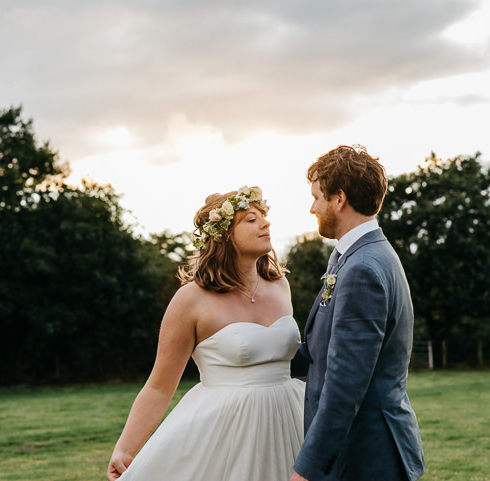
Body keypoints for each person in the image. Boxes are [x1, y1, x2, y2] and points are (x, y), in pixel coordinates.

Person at [107, 186, 305, 481]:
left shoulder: (280, 287)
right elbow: (160, 387)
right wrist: (126, 446)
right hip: (229, 431)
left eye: (263, 216)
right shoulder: (191, 299)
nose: (266, 223)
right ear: (223, 235)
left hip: (292, 418)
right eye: (251, 219)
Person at [290, 145, 425, 481]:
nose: (312, 207)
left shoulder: (363, 268)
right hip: (361, 451)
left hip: (366, 455)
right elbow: (320, 353)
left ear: (339, 199)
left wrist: (306, 470)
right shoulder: (356, 257)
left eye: (317, 196)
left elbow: (344, 386)